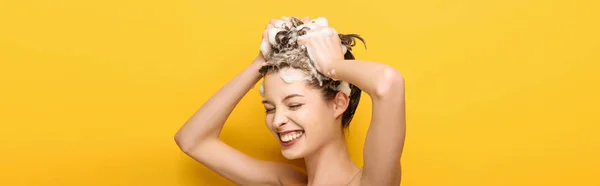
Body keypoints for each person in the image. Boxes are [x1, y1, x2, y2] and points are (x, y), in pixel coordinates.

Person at [174, 16, 406, 186]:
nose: (277, 121)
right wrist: (260, 62)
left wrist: (330, 67)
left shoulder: (373, 182)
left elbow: (389, 83)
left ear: (338, 103)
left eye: (294, 104)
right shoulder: (285, 182)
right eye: (270, 108)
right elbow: (191, 140)